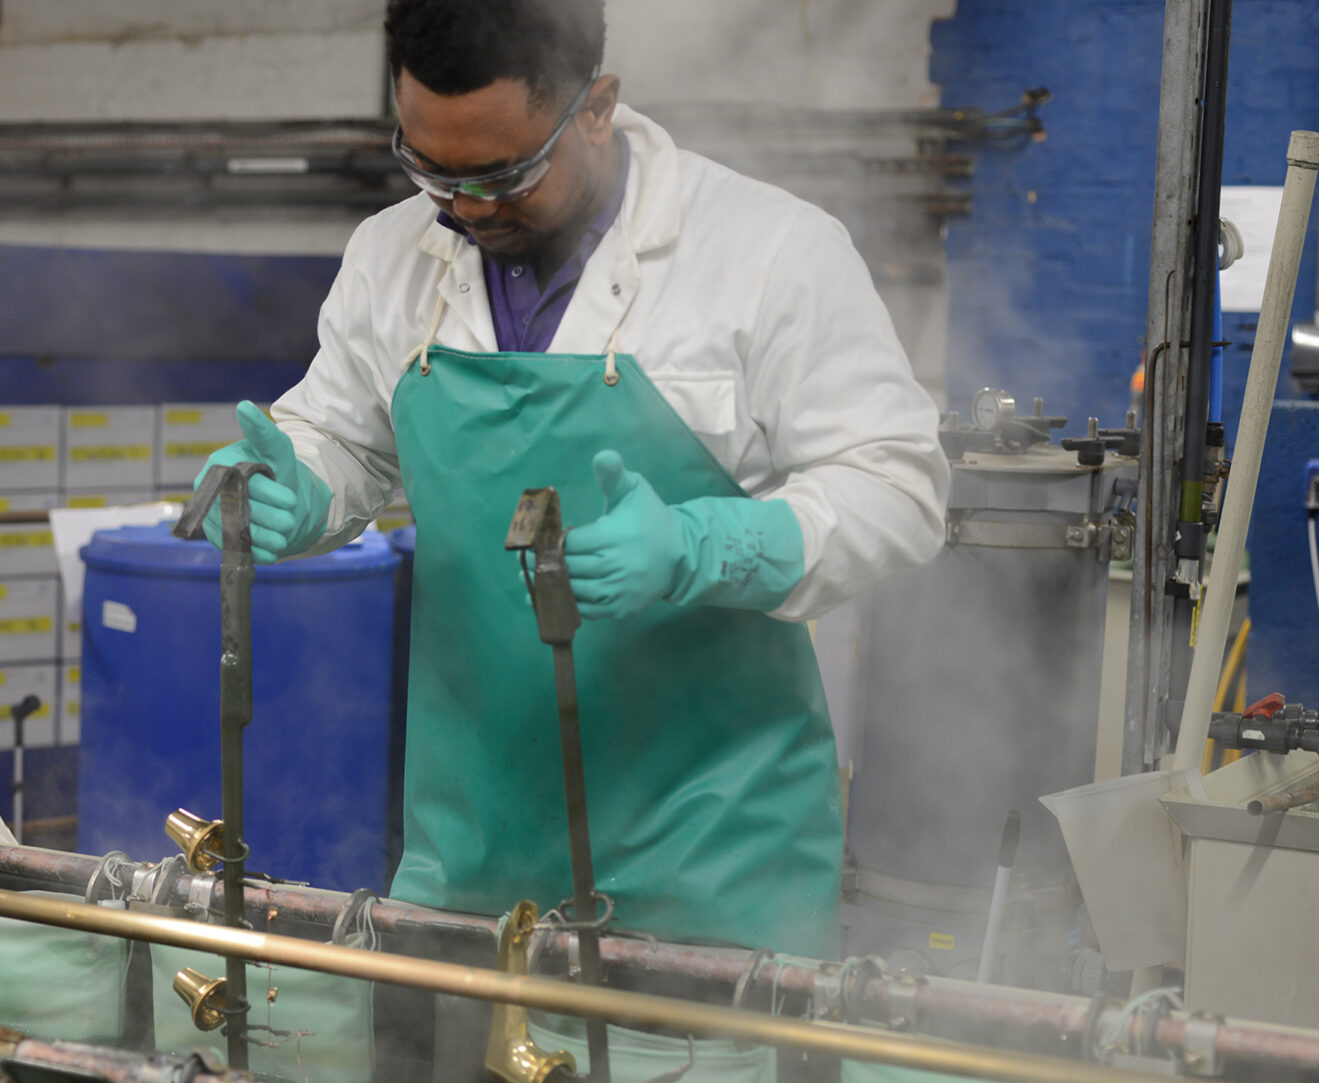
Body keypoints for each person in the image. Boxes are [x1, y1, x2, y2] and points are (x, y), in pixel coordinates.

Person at [198, 0, 945, 967]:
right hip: (468, 849)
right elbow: (344, 434)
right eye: (430, 168)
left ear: (597, 106)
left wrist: (705, 545)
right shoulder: (391, 257)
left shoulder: (768, 255)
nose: (465, 207)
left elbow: (899, 485)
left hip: (711, 859)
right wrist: (292, 481)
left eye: (505, 174)